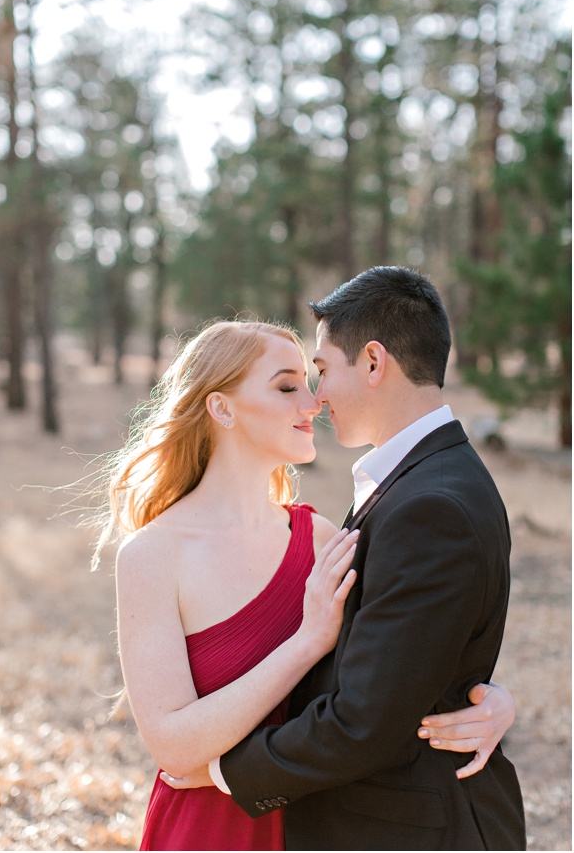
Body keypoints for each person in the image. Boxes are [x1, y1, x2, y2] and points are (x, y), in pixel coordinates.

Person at [105, 317, 517, 851]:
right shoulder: (150, 556)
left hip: (322, 821)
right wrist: (305, 645)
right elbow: (174, 749)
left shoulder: (325, 539)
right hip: (209, 827)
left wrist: (488, 700)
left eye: (310, 379)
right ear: (221, 407)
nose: (314, 401)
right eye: (286, 386)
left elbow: (394, 672)